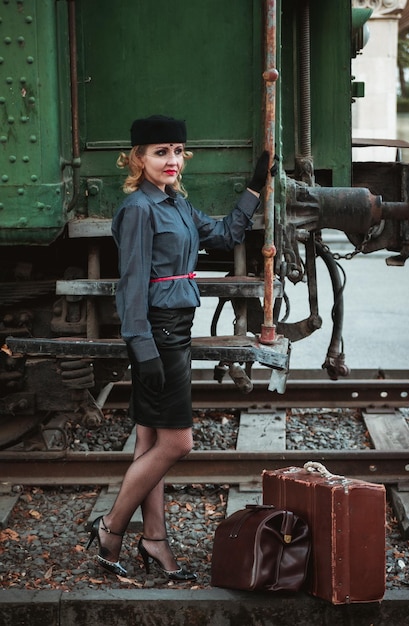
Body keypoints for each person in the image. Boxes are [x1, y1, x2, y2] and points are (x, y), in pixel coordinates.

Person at [86, 114, 270, 581]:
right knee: (177, 442)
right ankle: (109, 528)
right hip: (158, 333)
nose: (171, 160)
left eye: (177, 151)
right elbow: (130, 287)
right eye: (159, 152)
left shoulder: (178, 205)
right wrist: (142, 348)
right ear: (138, 159)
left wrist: (253, 188)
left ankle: (155, 541)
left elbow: (226, 235)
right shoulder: (138, 210)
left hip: (175, 330)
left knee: (148, 441)